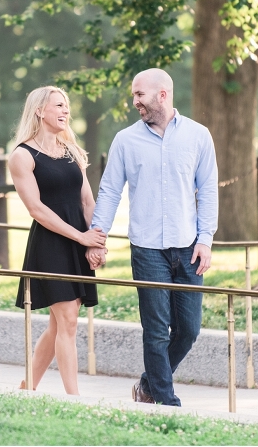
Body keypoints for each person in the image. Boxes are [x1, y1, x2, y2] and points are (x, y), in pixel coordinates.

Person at [87, 68, 218, 407]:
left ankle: (148, 384)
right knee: (157, 330)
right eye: (134, 95)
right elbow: (110, 191)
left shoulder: (198, 136)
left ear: (162, 95)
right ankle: (165, 402)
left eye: (139, 94)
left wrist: (205, 239)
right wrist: (97, 239)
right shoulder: (125, 140)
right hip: (147, 249)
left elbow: (208, 190)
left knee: (188, 329)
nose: (135, 101)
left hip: (189, 247)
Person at [9, 86, 107, 395]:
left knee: (58, 325)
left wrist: (95, 243)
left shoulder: (71, 151)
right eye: (59, 105)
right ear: (40, 111)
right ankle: (73, 399)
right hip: (50, 245)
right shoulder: (22, 156)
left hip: (79, 242)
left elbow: (87, 201)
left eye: (67, 106)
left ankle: (27, 387)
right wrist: (81, 237)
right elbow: (36, 209)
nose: (66, 111)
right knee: (68, 321)